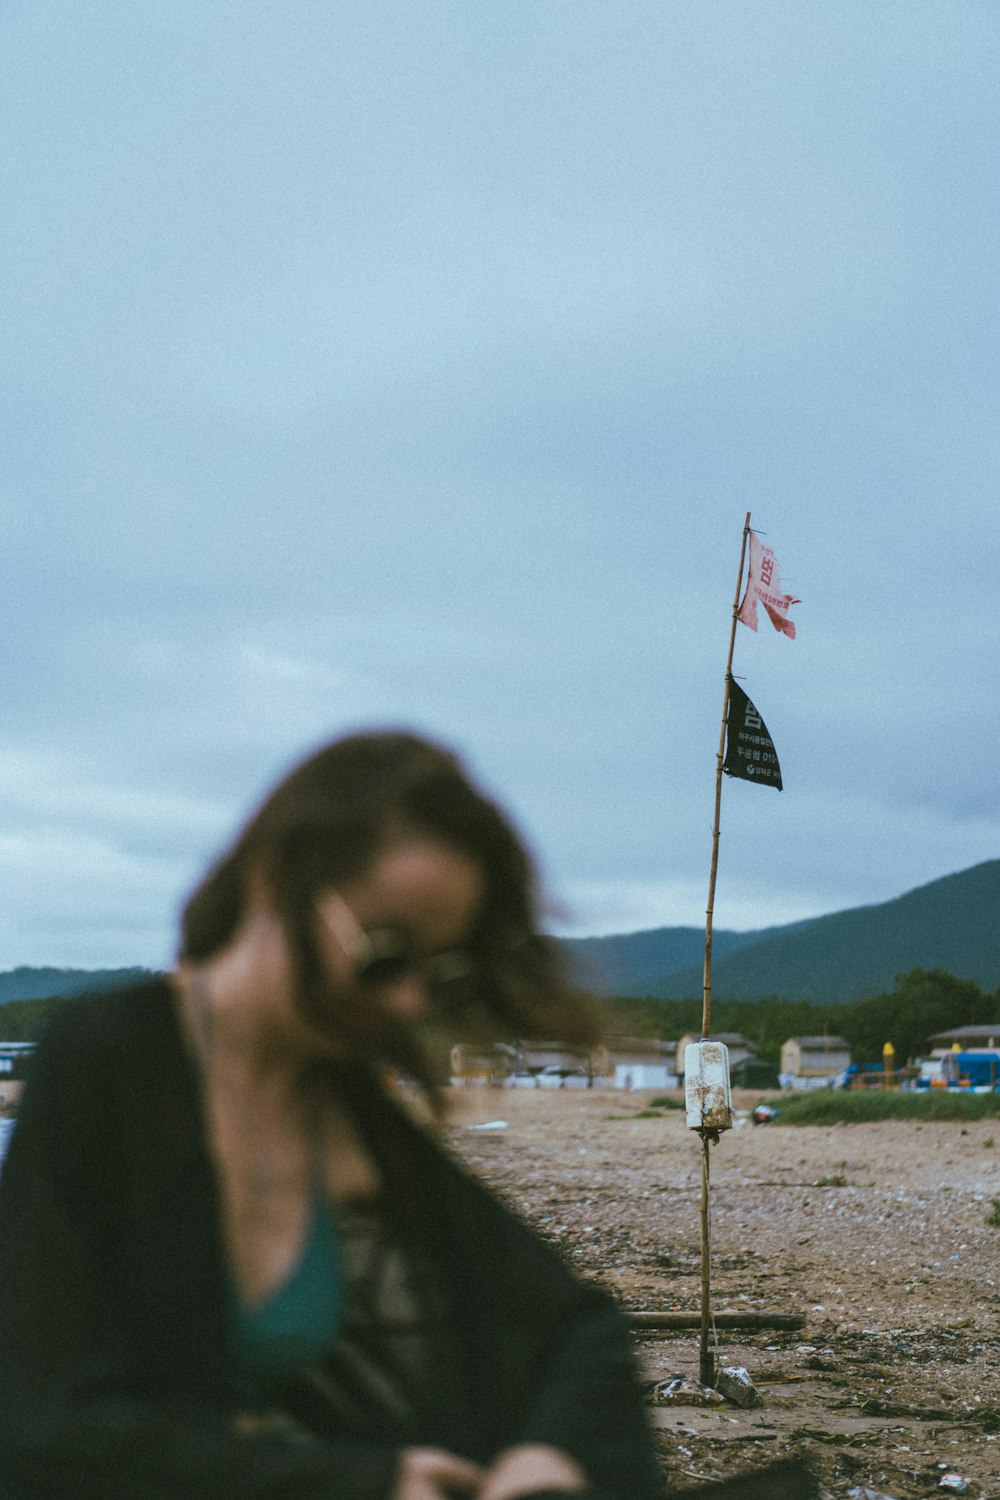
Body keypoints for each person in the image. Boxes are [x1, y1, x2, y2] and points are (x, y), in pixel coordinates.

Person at [0, 730, 666, 1500]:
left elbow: (576, 1330)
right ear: (274, 881)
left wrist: (553, 1453)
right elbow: (39, 1423)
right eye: (384, 956)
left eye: (437, 974)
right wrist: (359, 1482)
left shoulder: (340, 1103)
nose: (408, 1002)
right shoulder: (110, 1057)